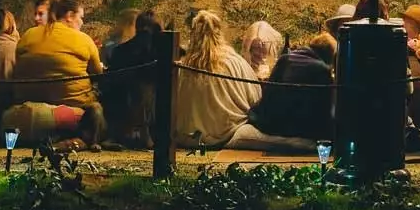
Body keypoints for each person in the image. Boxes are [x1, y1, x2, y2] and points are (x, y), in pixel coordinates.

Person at [14, 0, 107, 147]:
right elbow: (98, 75)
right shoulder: (83, 39)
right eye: (81, 17)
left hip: (26, 104)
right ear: (70, 16)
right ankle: (82, 141)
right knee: (98, 108)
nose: (82, 22)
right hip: (74, 106)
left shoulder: (28, 35)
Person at [173, 10, 260, 148]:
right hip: (228, 133)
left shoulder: (184, 66)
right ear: (219, 33)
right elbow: (255, 98)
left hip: (188, 137)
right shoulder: (234, 61)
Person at [246, 31, 337, 141]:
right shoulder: (322, 70)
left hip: (270, 122)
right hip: (295, 127)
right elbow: (325, 109)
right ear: (329, 56)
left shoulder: (285, 59)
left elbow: (268, 94)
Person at [104, 9, 164, 147]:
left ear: (137, 26)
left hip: (121, 117)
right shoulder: (163, 52)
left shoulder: (119, 51)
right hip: (155, 118)